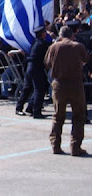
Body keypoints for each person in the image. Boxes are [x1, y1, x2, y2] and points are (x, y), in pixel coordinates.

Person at [44, 26, 89, 156]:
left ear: (60, 35)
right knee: (79, 116)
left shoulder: (53, 47)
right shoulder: (78, 46)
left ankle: (55, 145)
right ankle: (75, 146)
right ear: (72, 35)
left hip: (59, 84)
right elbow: (86, 59)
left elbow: (47, 63)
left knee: (58, 116)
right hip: (75, 84)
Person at [15, 26, 50, 118]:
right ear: (42, 34)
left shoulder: (33, 42)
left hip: (30, 67)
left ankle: (23, 107)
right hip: (37, 67)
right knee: (40, 89)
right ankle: (36, 111)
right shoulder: (42, 44)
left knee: (28, 88)